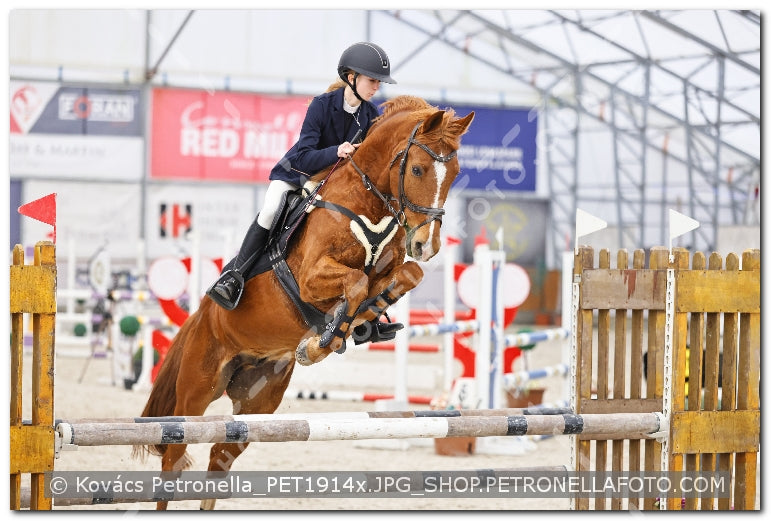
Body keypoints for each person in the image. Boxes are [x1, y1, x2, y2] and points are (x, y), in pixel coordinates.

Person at [207, 42, 398, 322]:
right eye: (372, 80)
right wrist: (337, 151)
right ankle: (234, 277)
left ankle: (363, 309)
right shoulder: (321, 106)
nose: (376, 88)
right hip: (298, 174)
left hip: (333, 185)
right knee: (272, 209)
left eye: (379, 82)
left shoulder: (370, 116)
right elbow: (304, 156)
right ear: (351, 77)